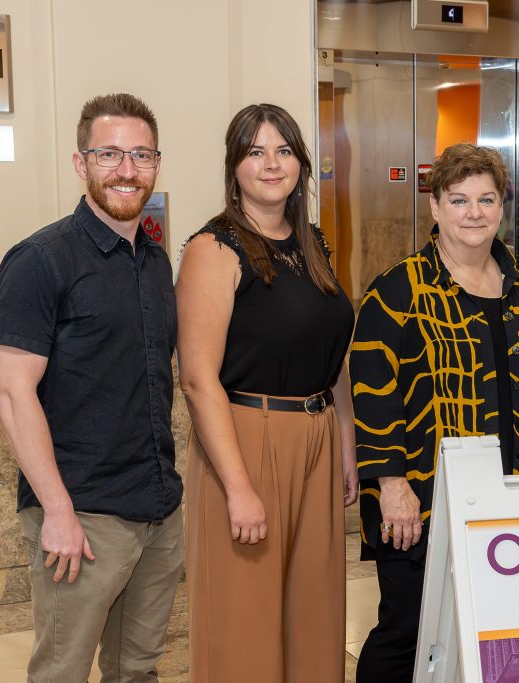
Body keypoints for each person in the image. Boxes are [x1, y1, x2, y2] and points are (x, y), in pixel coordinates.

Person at [0, 93, 182, 681]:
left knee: (137, 668)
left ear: (155, 164)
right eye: (110, 154)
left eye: (141, 155)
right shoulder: (40, 260)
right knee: (61, 671)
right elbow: (12, 394)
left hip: (156, 508)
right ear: (81, 163)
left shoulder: (152, 259)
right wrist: (57, 511)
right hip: (83, 517)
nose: (127, 169)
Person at [351, 143, 519, 682]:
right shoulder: (397, 290)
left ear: (502, 205)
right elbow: (372, 392)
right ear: (435, 207)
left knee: (493, 631)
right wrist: (392, 485)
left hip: (504, 497)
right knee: (407, 630)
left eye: (486, 199)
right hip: (419, 501)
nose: (474, 212)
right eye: (458, 200)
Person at [177, 103, 356, 682]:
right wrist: (238, 487)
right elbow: (198, 378)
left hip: (318, 436)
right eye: (255, 151)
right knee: (245, 621)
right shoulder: (214, 249)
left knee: (314, 612)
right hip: (247, 441)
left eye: (283, 150)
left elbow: (334, 358)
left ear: (302, 165)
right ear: (234, 168)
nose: (271, 164)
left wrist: (347, 447)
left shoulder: (313, 244)